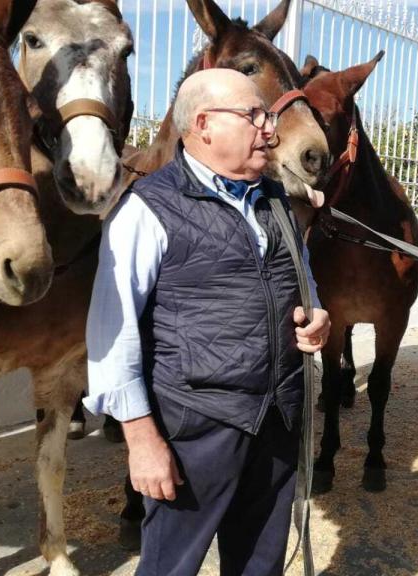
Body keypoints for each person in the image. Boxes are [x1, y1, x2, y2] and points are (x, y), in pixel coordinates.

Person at [84, 68, 331, 576]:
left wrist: (317, 316)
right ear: (203, 125)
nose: (271, 129)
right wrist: (142, 441)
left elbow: (301, 283)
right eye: (255, 115)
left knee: (260, 566)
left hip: (277, 418)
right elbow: (112, 335)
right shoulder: (147, 209)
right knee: (171, 567)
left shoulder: (277, 201)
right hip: (195, 428)